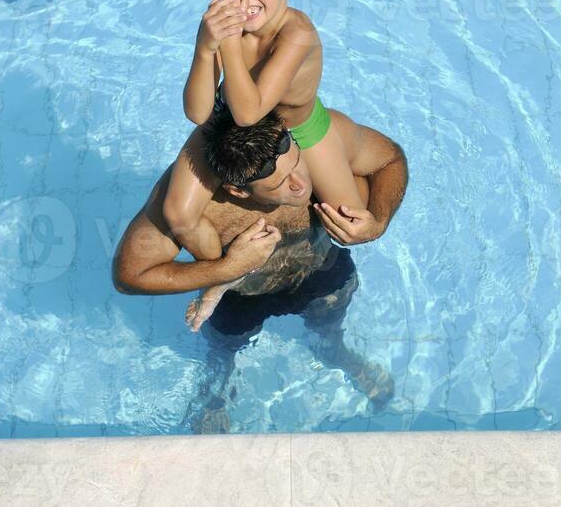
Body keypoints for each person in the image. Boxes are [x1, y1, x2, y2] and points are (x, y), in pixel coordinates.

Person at [112, 105, 408, 431]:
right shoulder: (200, 206)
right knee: (224, 349)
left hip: (319, 269)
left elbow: (390, 159)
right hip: (241, 295)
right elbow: (129, 276)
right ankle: (217, 393)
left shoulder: (321, 140)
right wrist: (226, 269)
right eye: (280, 183)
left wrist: (378, 222)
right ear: (237, 189)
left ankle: (337, 353)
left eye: (295, 163)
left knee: (330, 324)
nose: (301, 184)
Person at [161, 0, 370, 314]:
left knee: (348, 221)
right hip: (229, 125)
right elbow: (197, 112)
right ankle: (224, 277)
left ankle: (350, 161)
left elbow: (251, 111)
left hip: (298, 129)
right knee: (178, 214)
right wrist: (204, 48)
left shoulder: (298, 32)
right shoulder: (223, 28)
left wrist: (229, 46)